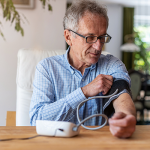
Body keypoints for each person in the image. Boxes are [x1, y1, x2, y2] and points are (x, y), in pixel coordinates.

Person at [29, 0, 136, 138]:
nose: (98, 47)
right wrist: (84, 92)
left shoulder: (112, 64)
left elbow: (122, 96)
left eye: (102, 37)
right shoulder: (47, 68)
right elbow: (36, 121)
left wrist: (126, 117)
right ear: (68, 37)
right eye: (90, 37)